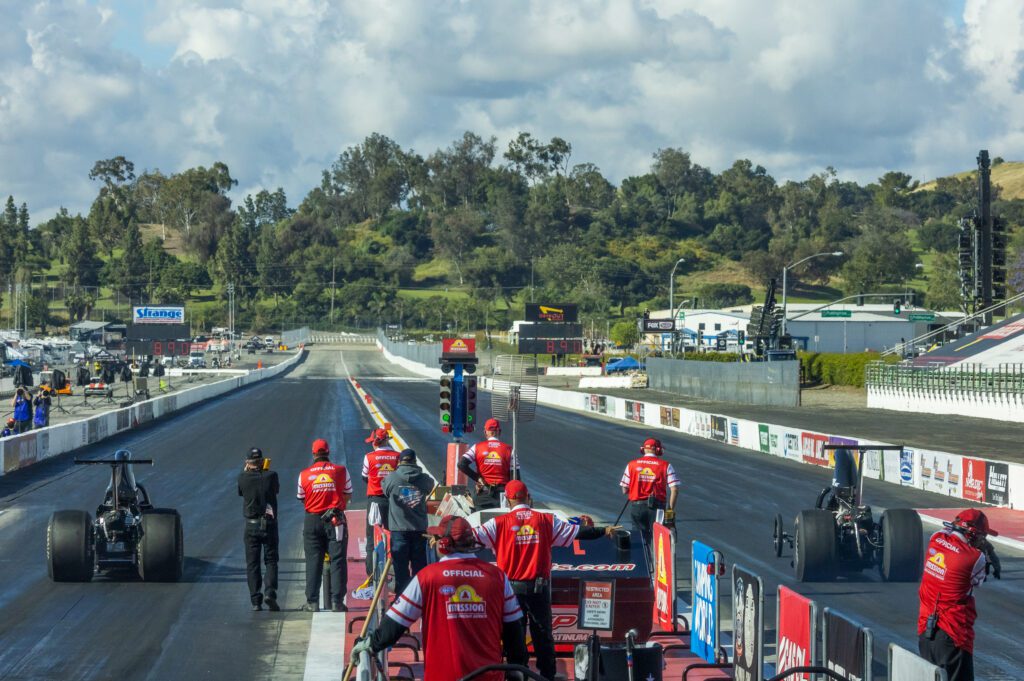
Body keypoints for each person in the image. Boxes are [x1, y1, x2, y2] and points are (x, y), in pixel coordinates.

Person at [350, 515, 527, 681]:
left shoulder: (427, 577)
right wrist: (517, 670)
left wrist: (370, 644)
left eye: (436, 538)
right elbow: (514, 631)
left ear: (444, 543)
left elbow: (395, 624)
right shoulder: (497, 577)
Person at [474, 480, 619, 681]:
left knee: (514, 636)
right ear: (528, 497)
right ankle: (547, 676)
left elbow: (469, 536)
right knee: (543, 635)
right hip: (539, 589)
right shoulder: (545, 520)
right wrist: (604, 531)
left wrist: (444, 538)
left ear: (507, 500)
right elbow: (577, 532)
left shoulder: (497, 524)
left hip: (510, 592)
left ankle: (517, 676)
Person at [918, 509, 1001, 681]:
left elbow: (949, 532)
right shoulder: (975, 558)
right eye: (983, 536)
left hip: (925, 630)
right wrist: (986, 552)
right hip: (953, 635)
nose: (983, 540)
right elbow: (978, 581)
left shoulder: (936, 538)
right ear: (973, 534)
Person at [297, 438, 352, 612]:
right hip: (335, 520)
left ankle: (312, 602)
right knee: (337, 560)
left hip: (312, 520)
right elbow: (348, 493)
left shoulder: (304, 474)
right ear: (328, 452)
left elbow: (301, 498)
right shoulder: (341, 470)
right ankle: (337, 601)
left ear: (313, 454)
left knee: (313, 561)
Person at [380, 449, 435, 595]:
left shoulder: (391, 478)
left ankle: (402, 598)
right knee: (419, 570)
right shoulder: (424, 479)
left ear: (400, 462)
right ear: (415, 461)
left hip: (399, 531)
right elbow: (430, 486)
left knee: (400, 570)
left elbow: (385, 491)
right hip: (419, 531)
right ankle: (419, 598)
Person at [620, 437, 680, 551]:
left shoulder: (631, 464)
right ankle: (658, 561)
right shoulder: (666, 465)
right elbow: (675, 489)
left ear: (643, 449)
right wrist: (670, 510)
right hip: (657, 508)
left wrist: (636, 487)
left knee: (639, 538)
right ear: (657, 450)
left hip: (637, 507)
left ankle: (642, 560)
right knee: (659, 539)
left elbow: (624, 490)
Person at [238, 447, 280, 612]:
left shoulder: (242, 477)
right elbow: (276, 490)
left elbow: (241, 492)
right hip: (269, 524)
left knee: (252, 563)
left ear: (247, 463)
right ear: (262, 461)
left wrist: (248, 471)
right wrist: (265, 471)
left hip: (251, 524)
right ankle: (270, 593)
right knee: (271, 560)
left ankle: (256, 600)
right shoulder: (271, 475)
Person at [361, 427, 399, 573]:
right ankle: (395, 569)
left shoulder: (369, 457)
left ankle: (371, 574)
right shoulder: (397, 456)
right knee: (395, 534)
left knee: (372, 537)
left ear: (376, 442)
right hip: (393, 501)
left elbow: (364, 477)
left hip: (375, 501)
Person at [458, 418, 518, 510]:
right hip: (502, 495)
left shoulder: (477, 447)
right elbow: (516, 477)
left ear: (485, 432)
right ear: (499, 431)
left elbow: (461, 464)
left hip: (483, 492)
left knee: (481, 518)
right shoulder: (509, 450)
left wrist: (477, 478)